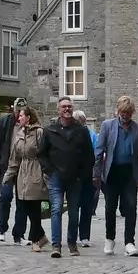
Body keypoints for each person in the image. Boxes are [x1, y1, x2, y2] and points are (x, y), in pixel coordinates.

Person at [94, 95, 138, 257]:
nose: (125, 115)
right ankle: (109, 238)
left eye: (128, 112)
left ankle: (129, 242)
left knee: (131, 207)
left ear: (132, 112)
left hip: (130, 173)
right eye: (122, 112)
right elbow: (99, 151)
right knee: (110, 208)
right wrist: (96, 174)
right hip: (112, 173)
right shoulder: (107, 126)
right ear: (118, 111)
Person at [40, 96, 93, 257]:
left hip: (75, 177)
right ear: (58, 110)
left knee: (73, 211)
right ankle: (56, 245)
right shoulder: (50, 130)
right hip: (56, 176)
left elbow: (89, 156)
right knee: (56, 209)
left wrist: (83, 174)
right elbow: (42, 154)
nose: (67, 109)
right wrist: (49, 171)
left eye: (69, 106)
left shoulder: (81, 131)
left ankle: (72, 242)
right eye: (64, 107)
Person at [8, 105, 49, 250]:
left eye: (21, 116)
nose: (19, 118)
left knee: (34, 206)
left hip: (36, 169)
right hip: (23, 172)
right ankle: (41, 236)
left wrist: (46, 174)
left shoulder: (39, 132)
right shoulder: (20, 133)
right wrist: (9, 174)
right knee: (24, 205)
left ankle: (36, 239)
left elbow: (45, 153)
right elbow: (15, 156)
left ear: (28, 117)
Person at [0, 100, 22, 243]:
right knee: (5, 196)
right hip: (6, 165)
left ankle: (19, 234)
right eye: (18, 109)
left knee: (22, 201)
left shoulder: (29, 122)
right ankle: (2, 229)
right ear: (13, 108)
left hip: (23, 167)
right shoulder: (5, 121)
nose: (19, 113)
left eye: (22, 110)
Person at [72, 111, 99, 247]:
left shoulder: (91, 135)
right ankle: (74, 235)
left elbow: (96, 153)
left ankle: (84, 236)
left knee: (86, 206)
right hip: (74, 175)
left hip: (87, 174)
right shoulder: (70, 134)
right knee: (75, 207)